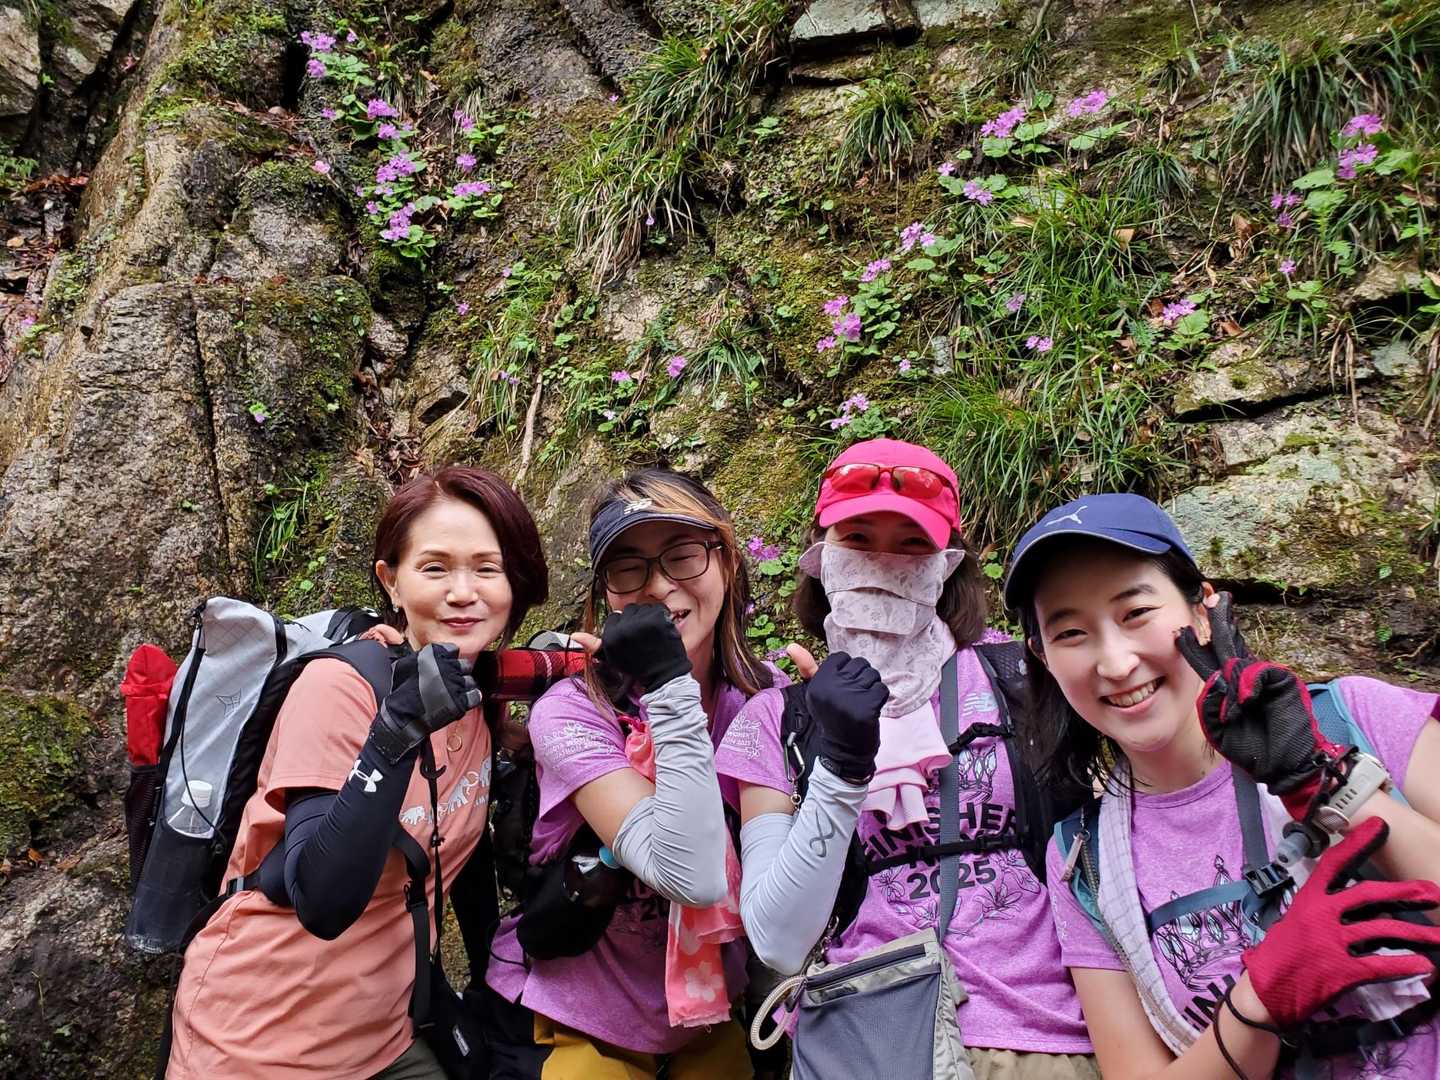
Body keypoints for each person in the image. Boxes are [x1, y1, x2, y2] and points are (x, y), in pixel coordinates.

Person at [1004, 492, 1440, 1079]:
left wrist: (1324, 780)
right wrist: (1258, 1001)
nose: (1115, 663)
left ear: (1203, 611)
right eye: (1072, 633)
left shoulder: (1355, 719)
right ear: (1043, 657)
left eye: (1136, 613)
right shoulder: (1084, 861)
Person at [715, 438, 1099, 1077]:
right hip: (866, 1043)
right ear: (820, 557)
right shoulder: (777, 720)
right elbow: (778, 940)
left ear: (947, 566)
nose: (883, 562)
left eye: (913, 544)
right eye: (858, 539)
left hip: (1044, 1039)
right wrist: (840, 764)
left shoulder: (1025, 678)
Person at [165, 466, 548, 1080]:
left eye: (487, 568)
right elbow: (324, 901)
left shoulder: (474, 695)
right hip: (256, 1042)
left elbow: (460, 853)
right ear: (391, 581)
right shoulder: (342, 689)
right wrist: (395, 735)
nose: (463, 591)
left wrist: (487, 989)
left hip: (388, 1036)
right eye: (435, 568)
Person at [482, 468, 783, 1078]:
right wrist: (669, 683)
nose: (660, 586)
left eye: (683, 555)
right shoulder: (571, 711)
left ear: (727, 562)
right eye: (629, 567)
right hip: (572, 1017)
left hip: (707, 1022)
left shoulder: (765, 701)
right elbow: (689, 873)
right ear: (606, 596)